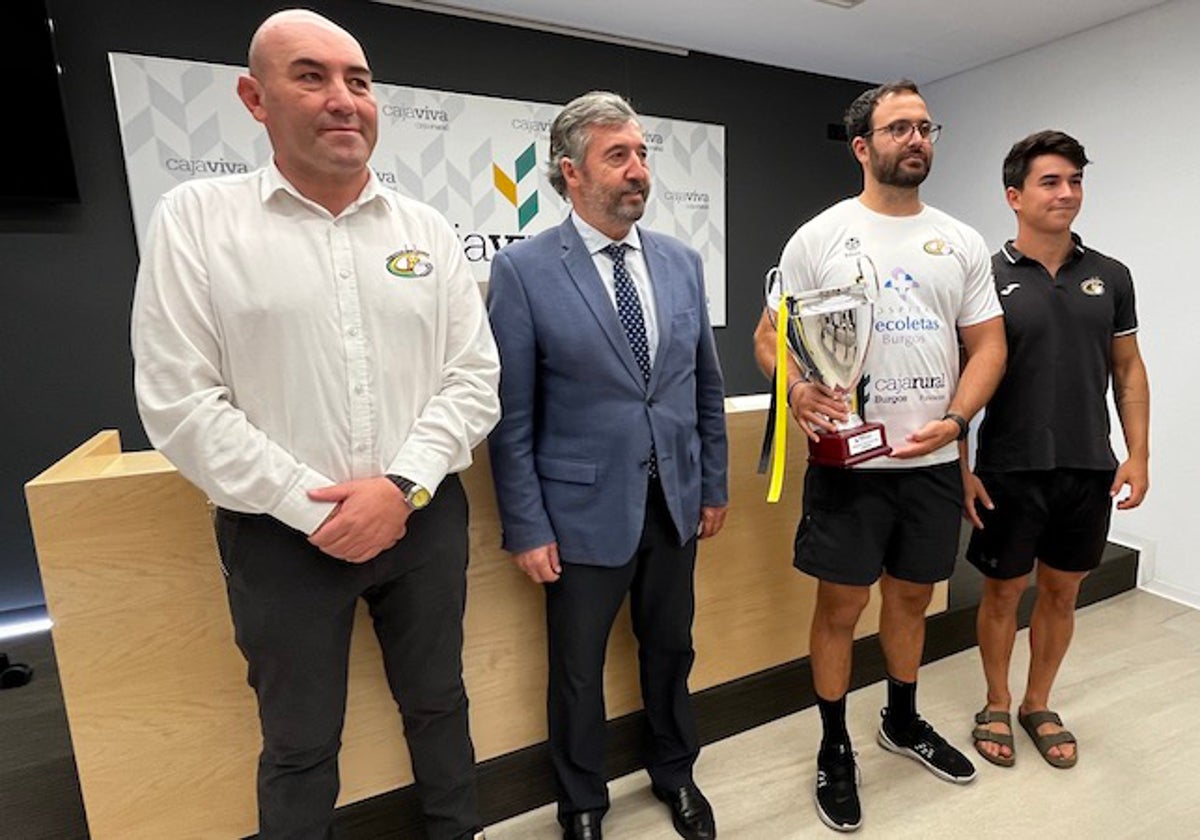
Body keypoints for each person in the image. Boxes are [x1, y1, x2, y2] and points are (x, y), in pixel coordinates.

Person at [130, 10, 499, 839]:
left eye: (359, 81)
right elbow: (179, 403)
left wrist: (400, 489)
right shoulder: (196, 220)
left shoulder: (427, 232)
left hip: (425, 520)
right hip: (280, 541)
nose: (343, 99)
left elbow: (474, 381)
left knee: (441, 705)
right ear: (254, 98)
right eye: (311, 76)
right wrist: (320, 508)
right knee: (298, 744)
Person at [752, 79, 1006, 833]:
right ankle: (835, 746)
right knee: (841, 608)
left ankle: (901, 719)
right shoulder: (819, 236)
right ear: (863, 147)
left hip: (928, 466)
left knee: (911, 600)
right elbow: (770, 337)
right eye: (900, 128)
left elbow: (989, 344)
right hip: (847, 466)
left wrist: (959, 422)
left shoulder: (958, 240)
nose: (917, 139)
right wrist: (795, 393)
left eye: (926, 127)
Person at [486, 91, 728, 840]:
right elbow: (512, 415)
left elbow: (704, 387)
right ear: (571, 172)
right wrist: (526, 525)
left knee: (671, 649)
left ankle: (675, 773)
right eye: (617, 156)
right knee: (578, 671)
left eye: (643, 154)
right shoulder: (524, 271)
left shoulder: (682, 262)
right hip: (579, 514)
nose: (638, 171)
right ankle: (583, 803)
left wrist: (712, 484)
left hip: (674, 503)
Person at [965, 130, 1149, 771]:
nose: (1067, 193)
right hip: (1008, 468)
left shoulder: (1111, 276)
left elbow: (1127, 371)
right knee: (1001, 593)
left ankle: (1037, 703)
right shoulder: (984, 277)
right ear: (1014, 195)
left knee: (1063, 593)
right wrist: (961, 466)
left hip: (1088, 467)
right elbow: (960, 378)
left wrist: (1138, 454)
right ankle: (994, 700)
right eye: (1051, 181)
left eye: (1075, 180)